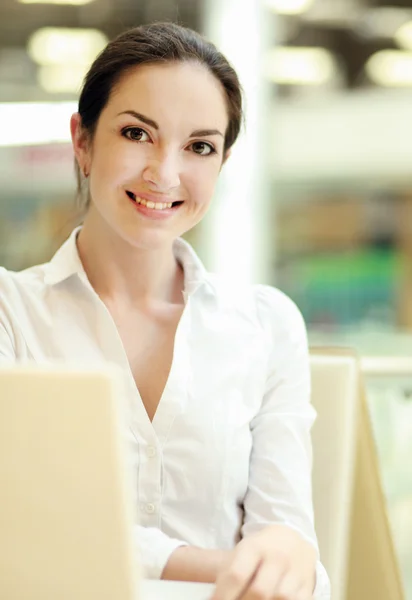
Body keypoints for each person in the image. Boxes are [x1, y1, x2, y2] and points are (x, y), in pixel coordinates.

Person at [0, 22, 330, 600]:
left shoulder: (268, 324)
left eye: (199, 146)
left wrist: (284, 555)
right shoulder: (12, 311)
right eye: (136, 133)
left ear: (222, 162)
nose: (166, 174)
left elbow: (291, 548)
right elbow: (21, 526)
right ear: (82, 140)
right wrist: (230, 566)